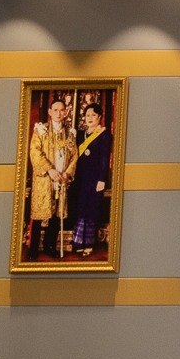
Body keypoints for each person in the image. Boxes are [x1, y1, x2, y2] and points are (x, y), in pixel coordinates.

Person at [27, 96, 76, 260]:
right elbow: (35, 153)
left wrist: (67, 173)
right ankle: (33, 249)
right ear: (50, 112)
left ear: (66, 112)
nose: (58, 113)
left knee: (56, 215)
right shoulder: (41, 130)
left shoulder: (69, 133)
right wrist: (49, 169)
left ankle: (50, 246)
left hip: (61, 179)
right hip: (45, 179)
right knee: (40, 214)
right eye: (55, 110)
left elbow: (74, 156)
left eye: (62, 110)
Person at [68, 101, 113, 258]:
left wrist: (102, 179)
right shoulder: (80, 135)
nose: (90, 118)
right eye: (87, 115)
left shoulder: (104, 135)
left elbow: (104, 159)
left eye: (93, 115)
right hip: (80, 178)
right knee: (80, 209)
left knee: (91, 210)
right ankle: (78, 242)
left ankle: (88, 244)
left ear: (99, 117)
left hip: (94, 179)